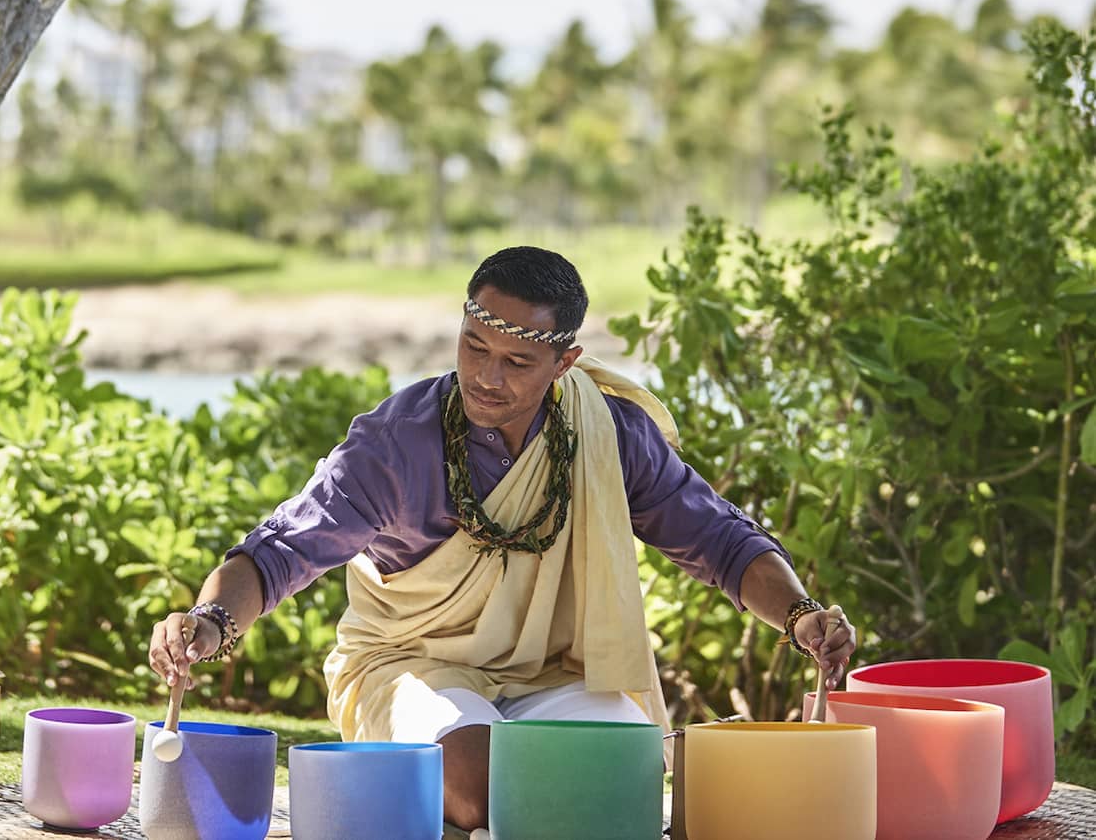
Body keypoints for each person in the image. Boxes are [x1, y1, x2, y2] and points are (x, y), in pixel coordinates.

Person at [149, 245, 856, 833]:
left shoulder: (609, 435)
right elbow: (279, 550)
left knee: (627, 779)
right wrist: (210, 621)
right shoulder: (396, 445)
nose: (487, 376)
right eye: (474, 346)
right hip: (412, 668)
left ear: (565, 363)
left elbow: (720, 540)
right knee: (478, 785)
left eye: (518, 362)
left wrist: (801, 616)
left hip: (555, 676)